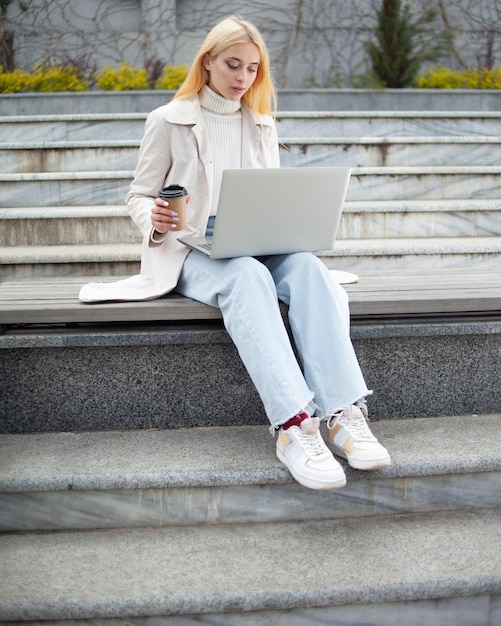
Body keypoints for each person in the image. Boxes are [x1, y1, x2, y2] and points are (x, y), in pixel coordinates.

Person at [79, 15, 391, 490]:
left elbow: (268, 193)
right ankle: (292, 427)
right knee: (245, 275)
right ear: (207, 63)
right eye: (232, 65)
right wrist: (155, 219)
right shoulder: (168, 120)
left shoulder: (260, 122)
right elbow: (139, 195)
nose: (243, 78)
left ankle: (343, 413)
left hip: (254, 235)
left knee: (309, 268)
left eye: (252, 68)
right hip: (191, 247)